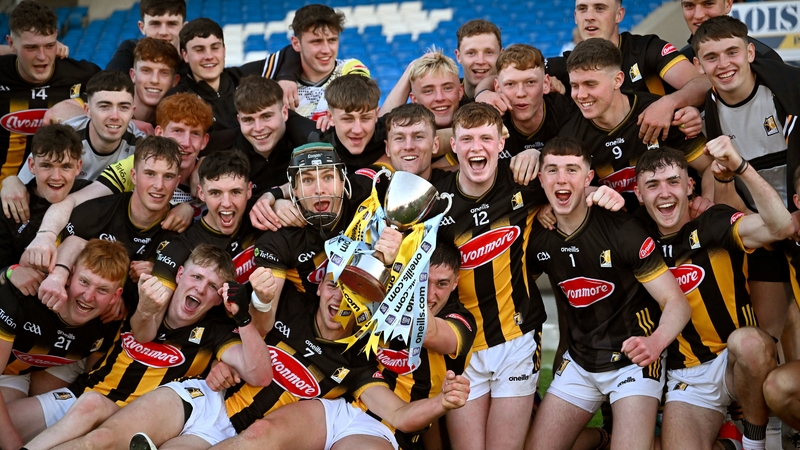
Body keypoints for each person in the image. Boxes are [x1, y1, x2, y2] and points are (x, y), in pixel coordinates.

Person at [18, 244, 274, 449]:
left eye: (212, 286)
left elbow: (260, 375)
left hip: (133, 421)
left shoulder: (214, 332)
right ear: (181, 275)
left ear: (219, 298)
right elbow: (79, 244)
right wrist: (60, 271)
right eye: (196, 276)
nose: (200, 288)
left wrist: (243, 317)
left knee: (92, 410)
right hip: (82, 394)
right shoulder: (147, 292)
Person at [525, 136, 691, 450]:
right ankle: (601, 441)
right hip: (580, 360)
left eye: (572, 170)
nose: (562, 179)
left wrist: (654, 343)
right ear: (540, 179)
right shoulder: (538, 239)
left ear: (589, 178)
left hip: (634, 362)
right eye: (553, 171)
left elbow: (676, 303)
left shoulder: (622, 230)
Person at [633, 142, 789, 450]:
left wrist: (742, 166)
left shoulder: (713, 221)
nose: (664, 193)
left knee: (749, 343)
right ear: (638, 195)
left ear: (690, 185)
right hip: (688, 376)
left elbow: (782, 226)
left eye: (673, 182)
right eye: (652, 185)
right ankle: (728, 443)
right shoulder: (633, 238)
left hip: (737, 361)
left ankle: (754, 442)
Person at [692, 15, 800, 341]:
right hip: (765, 228)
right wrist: (724, 178)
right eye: (711, 57)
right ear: (698, 65)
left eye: (732, 52)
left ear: (750, 52)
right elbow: (730, 203)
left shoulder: (787, 91)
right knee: (770, 335)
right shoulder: (707, 113)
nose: (723, 64)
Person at [26, 135, 182, 314]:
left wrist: (158, 276)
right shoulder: (93, 212)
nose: (159, 185)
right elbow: (36, 266)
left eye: (168, 176)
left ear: (177, 183)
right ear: (134, 176)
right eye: (150, 174)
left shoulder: (180, 233)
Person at [0, 239, 126, 450]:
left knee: (11, 425)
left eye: (103, 290)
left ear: (116, 296)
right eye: (84, 282)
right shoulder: (27, 296)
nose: (88, 296)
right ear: (69, 275)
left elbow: (91, 380)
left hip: (15, 375)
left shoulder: (108, 326)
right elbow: (76, 240)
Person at [557, 38, 709, 213]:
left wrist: (707, 205)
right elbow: (566, 192)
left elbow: (708, 168)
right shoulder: (571, 138)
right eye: (574, 86)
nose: (581, 95)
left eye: (590, 84)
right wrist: (586, 193)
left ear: (618, 80)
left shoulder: (660, 114)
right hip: (624, 232)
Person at [542, 0, 710, 144]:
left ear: (619, 15)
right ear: (575, 16)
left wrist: (669, 103)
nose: (589, 16)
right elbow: (520, 70)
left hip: (662, 157)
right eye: (582, 9)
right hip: (603, 171)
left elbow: (704, 83)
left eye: (600, 8)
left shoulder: (646, 49)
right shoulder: (568, 65)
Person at [0, 0, 100, 182]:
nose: (42, 56)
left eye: (49, 45)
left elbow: (123, 97)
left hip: (57, 190)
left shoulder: (82, 75)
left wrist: (78, 103)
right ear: (11, 43)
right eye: (31, 47)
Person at [0, 124, 88, 279]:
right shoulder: (10, 205)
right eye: (47, 166)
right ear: (32, 166)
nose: (56, 176)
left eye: (66, 166)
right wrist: (11, 272)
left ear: (78, 166)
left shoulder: (92, 195)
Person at [166, 18, 284, 132]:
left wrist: (287, 78)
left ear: (224, 50)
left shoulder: (240, 77)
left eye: (215, 48)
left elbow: (287, 55)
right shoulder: (177, 99)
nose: (209, 56)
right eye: (199, 49)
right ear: (185, 55)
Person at [272, 4, 370, 120]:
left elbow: (357, 103)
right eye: (317, 41)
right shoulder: (279, 84)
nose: (326, 50)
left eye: (332, 40)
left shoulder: (350, 68)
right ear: (296, 43)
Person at [493, 44, 574, 159]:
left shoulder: (568, 114)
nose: (521, 93)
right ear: (497, 88)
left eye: (530, 82)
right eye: (510, 84)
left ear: (546, 84)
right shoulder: (489, 123)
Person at [380, 50, 464, 130]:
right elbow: (381, 128)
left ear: (460, 91)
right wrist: (410, 69)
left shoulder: (474, 111)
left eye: (447, 88)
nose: (440, 98)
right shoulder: (406, 132)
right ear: (414, 99)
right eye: (428, 91)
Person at [678, 0, 782, 62]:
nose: (698, 15)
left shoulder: (766, 58)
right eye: (689, 5)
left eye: (708, 3)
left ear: (728, 4)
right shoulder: (680, 62)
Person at [106, 0, 187, 73]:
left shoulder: (194, 58)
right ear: (142, 27)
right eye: (155, 24)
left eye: (172, 24)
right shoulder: (130, 51)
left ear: (184, 28)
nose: (163, 32)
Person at [129, 37, 182, 127]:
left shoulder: (176, 125)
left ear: (175, 81)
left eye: (164, 73)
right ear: (133, 75)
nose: (154, 80)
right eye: (146, 70)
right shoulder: (112, 115)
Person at [455, 19, 502, 102]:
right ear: (458, 56)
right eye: (471, 53)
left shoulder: (516, 99)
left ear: (501, 55)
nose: (480, 61)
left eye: (489, 52)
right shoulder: (445, 100)